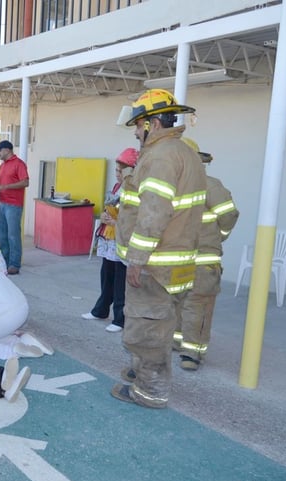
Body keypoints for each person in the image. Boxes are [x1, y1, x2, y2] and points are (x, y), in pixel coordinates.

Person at [110, 89, 207, 409]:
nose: (136, 132)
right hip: (176, 262)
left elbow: (154, 212)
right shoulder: (183, 153)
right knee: (159, 323)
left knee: (147, 328)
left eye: (139, 125)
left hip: (155, 264)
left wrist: (137, 260)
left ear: (152, 124)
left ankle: (149, 391)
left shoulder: (161, 156)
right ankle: (141, 373)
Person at [174, 138, 239, 371]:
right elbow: (228, 216)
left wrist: (215, 237)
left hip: (187, 260)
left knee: (187, 303)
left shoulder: (180, 187)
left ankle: (185, 347)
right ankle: (187, 348)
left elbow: (228, 215)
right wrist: (217, 236)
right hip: (197, 259)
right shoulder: (209, 186)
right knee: (192, 304)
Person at [82, 147, 138, 332]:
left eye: (121, 171)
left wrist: (117, 221)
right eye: (116, 170)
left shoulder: (136, 190)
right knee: (107, 275)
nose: (117, 174)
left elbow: (135, 216)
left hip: (123, 240)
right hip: (110, 238)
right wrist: (106, 217)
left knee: (120, 280)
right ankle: (101, 309)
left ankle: (120, 318)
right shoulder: (116, 187)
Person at [0, 140, 29, 275]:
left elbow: (25, 182)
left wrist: (5, 187)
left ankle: (14, 264)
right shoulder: (2, 166)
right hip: (2, 203)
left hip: (13, 205)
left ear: (7, 150)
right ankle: (4, 262)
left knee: (13, 235)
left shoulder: (19, 164)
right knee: (1, 234)